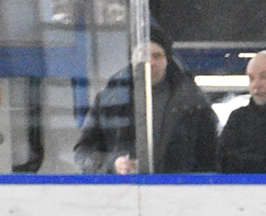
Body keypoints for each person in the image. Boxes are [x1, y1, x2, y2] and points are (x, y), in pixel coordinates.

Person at [73, 25, 218, 173]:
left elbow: (210, 157)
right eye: (143, 55)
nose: (150, 63)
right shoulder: (108, 100)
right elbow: (82, 152)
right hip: (121, 192)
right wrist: (112, 164)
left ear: (167, 60)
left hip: (177, 192)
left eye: (157, 56)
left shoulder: (193, 103)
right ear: (132, 59)